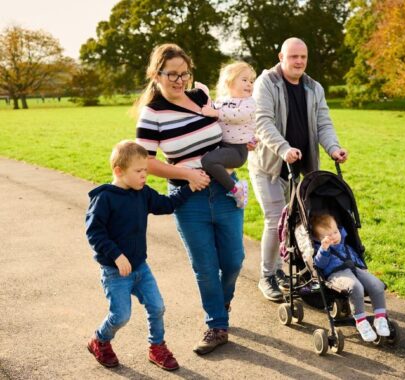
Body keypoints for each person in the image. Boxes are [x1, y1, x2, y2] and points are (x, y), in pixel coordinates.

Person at [135, 43, 246, 355]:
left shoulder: (200, 96)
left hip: (225, 189)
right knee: (206, 266)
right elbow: (146, 161)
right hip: (189, 198)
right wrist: (187, 175)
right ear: (156, 75)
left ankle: (220, 302)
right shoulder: (152, 113)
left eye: (184, 73)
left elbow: (222, 130)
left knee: (234, 260)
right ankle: (216, 324)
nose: (179, 80)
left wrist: (240, 143)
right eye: (172, 74)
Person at [248, 37, 349, 301]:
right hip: (269, 166)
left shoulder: (314, 87)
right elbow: (262, 122)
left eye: (303, 56)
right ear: (281, 57)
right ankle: (267, 276)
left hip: (300, 170)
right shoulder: (266, 83)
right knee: (274, 220)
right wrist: (283, 149)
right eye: (293, 56)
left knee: (298, 221)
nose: (299, 61)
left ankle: (294, 271)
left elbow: (323, 123)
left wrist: (333, 149)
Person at [85, 140, 194, 370]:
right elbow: (94, 232)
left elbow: (166, 204)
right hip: (115, 272)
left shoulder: (142, 193)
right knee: (121, 316)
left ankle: (157, 347)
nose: (145, 175)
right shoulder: (104, 198)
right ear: (119, 171)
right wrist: (116, 255)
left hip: (140, 268)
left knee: (157, 307)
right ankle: (100, 341)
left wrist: (189, 187)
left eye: (146, 170)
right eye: (139, 171)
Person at [311, 213, 390, 342]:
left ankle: (380, 318)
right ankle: (361, 322)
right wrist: (324, 249)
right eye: (328, 235)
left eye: (336, 232)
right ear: (319, 238)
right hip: (337, 274)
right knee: (355, 287)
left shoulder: (344, 242)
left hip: (355, 269)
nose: (334, 237)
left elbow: (355, 257)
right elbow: (319, 265)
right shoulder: (321, 249)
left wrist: (362, 268)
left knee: (377, 284)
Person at [198, 61, 257, 208]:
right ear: (229, 83)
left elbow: (238, 115)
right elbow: (210, 111)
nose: (249, 84)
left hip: (237, 150)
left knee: (208, 161)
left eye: (251, 81)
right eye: (244, 80)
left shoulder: (249, 103)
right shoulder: (221, 101)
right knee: (208, 163)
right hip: (223, 146)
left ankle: (237, 190)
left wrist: (216, 113)